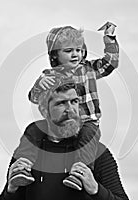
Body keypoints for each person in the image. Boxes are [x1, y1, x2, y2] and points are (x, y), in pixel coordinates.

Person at [12, 22, 120, 190]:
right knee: (33, 130)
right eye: (68, 51)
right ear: (55, 55)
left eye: (78, 50)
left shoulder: (89, 69)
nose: (75, 54)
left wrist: (110, 39)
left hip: (87, 122)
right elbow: (34, 98)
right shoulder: (50, 76)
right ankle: (23, 168)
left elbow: (110, 63)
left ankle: (79, 174)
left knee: (88, 136)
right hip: (60, 125)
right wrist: (40, 85)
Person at [0, 79, 129, 200]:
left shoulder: (97, 152)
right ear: (44, 111)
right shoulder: (28, 153)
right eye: (61, 103)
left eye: (74, 102)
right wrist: (11, 189)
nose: (70, 109)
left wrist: (96, 189)